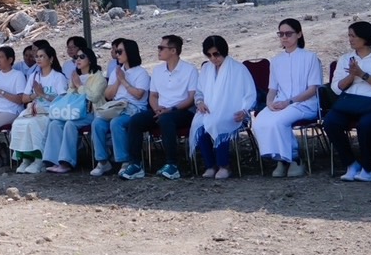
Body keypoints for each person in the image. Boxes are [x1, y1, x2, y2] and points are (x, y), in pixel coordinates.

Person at [322, 21, 371, 182]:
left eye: (353, 36)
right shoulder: (345, 59)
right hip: (352, 102)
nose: (350, 39)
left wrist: (363, 74)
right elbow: (336, 88)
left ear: (365, 37)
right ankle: (351, 164)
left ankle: (367, 168)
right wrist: (351, 75)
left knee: (366, 124)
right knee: (330, 122)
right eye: (349, 35)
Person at [250, 19, 323, 177]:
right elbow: (272, 88)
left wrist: (289, 102)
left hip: (304, 104)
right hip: (280, 102)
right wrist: (269, 103)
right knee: (259, 122)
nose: (284, 37)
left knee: (278, 121)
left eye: (288, 33)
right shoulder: (276, 60)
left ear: (299, 34)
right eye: (281, 34)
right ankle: (280, 158)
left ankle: (295, 159)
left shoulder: (310, 58)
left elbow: (312, 89)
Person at [121, 34, 198, 181]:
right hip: (160, 110)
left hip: (182, 111)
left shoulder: (190, 70)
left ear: (173, 51)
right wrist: (157, 109)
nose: (158, 50)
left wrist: (171, 109)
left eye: (161, 47)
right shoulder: (157, 70)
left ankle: (172, 165)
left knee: (166, 120)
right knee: (136, 121)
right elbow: (153, 96)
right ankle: (136, 164)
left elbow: (191, 98)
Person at [190, 36, 256, 180]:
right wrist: (200, 102)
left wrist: (244, 111)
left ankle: (224, 166)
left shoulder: (239, 69)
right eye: (209, 55)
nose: (213, 58)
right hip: (209, 110)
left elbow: (250, 94)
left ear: (223, 51)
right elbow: (199, 91)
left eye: (216, 54)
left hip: (233, 112)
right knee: (199, 125)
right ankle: (210, 165)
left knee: (220, 123)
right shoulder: (206, 69)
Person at [90, 39, 148, 177]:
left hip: (134, 108)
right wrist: (117, 79)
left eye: (120, 51)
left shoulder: (141, 73)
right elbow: (108, 95)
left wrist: (123, 80)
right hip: (116, 107)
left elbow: (139, 95)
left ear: (130, 52)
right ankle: (103, 161)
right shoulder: (118, 71)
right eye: (116, 51)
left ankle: (125, 161)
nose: (117, 54)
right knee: (97, 123)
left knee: (117, 123)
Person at [10, 40, 69, 173]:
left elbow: (63, 100)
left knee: (33, 124)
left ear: (51, 59)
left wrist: (43, 94)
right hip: (34, 110)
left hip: (50, 111)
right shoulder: (34, 76)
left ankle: (39, 159)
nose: (38, 59)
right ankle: (25, 159)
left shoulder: (58, 77)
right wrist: (35, 96)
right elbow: (24, 98)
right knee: (19, 123)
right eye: (37, 56)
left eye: (42, 56)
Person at [43, 43, 102, 173]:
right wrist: (74, 86)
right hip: (73, 112)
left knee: (70, 124)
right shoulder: (76, 76)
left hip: (90, 113)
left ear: (90, 59)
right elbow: (69, 98)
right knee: (55, 124)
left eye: (82, 57)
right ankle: (52, 160)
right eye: (76, 58)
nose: (78, 60)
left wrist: (79, 85)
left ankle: (66, 162)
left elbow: (94, 97)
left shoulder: (98, 77)